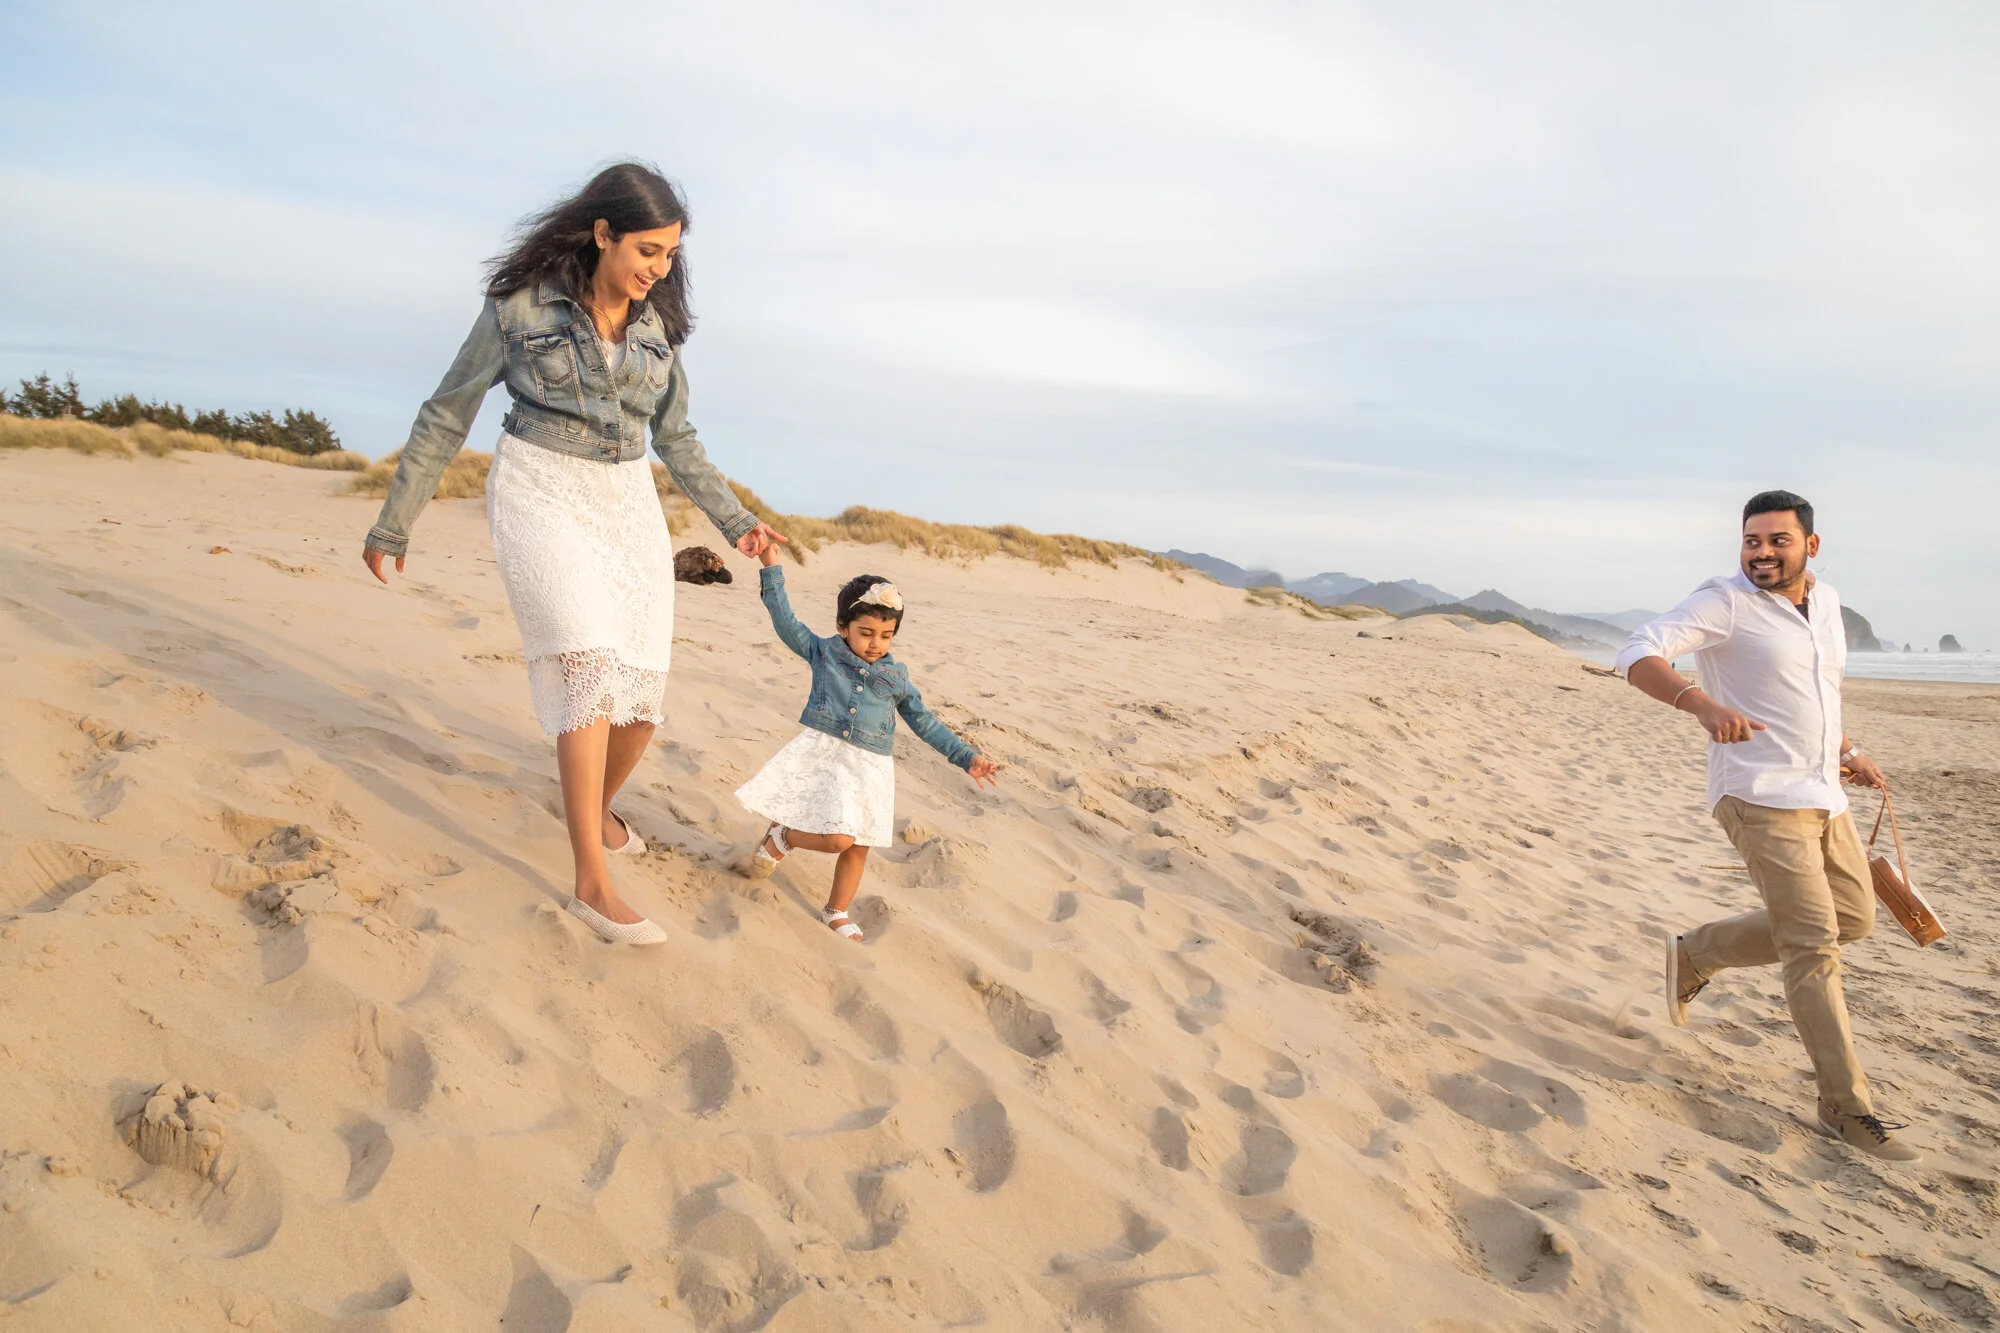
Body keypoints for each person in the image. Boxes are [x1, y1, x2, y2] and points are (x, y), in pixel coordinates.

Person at [360, 163, 788, 946]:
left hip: (626, 501)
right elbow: (446, 412)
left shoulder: (658, 328)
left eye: (670, 256)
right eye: (648, 250)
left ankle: (588, 805)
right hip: (540, 487)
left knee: (642, 699)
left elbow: (678, 437)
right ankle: (592, 881)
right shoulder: (518, 308)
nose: (660, 269)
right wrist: (396, 520)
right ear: (603, 233)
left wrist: (737, 522)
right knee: (588, 668)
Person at [1617, 489, 1917, 1162]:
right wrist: (1698, 702)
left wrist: (1847, 753)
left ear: (1811, 545)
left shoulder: (1829, 604)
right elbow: (1639, 649)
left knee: (1855, 919)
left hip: (1824, 795)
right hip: (1757, 795)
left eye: (1777, 540)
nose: (1761, 552)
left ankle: (1696, 952)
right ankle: (1846, 1105)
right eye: (1752, 540)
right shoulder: (1723, 601)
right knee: (1813, 946)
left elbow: (1817, 693)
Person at [736, 545, 1002, 941]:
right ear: (843, 626)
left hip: (872, 766)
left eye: (886, 636)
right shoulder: (824, 652)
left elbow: (923, 721)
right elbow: (785, 621)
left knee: (857, 845)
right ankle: (783, 836)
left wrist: (966, 757)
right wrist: (771, 568)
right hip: (826, 755)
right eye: (866, 633)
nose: (876, 643)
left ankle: (836, 909)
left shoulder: (897, 678)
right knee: (836, 839)